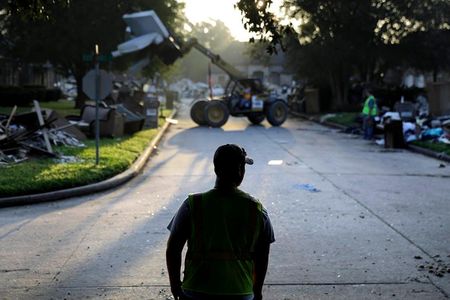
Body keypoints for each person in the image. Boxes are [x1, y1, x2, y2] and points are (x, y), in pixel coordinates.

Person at [166, 144, 275, 300]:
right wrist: (257, 292)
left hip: (195, 290)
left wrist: (175, 286)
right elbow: (262, 256)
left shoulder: (192, 205)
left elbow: (173, 249)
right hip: (240, 292)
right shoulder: (256, 210)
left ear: (216, 169)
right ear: (241, 172)